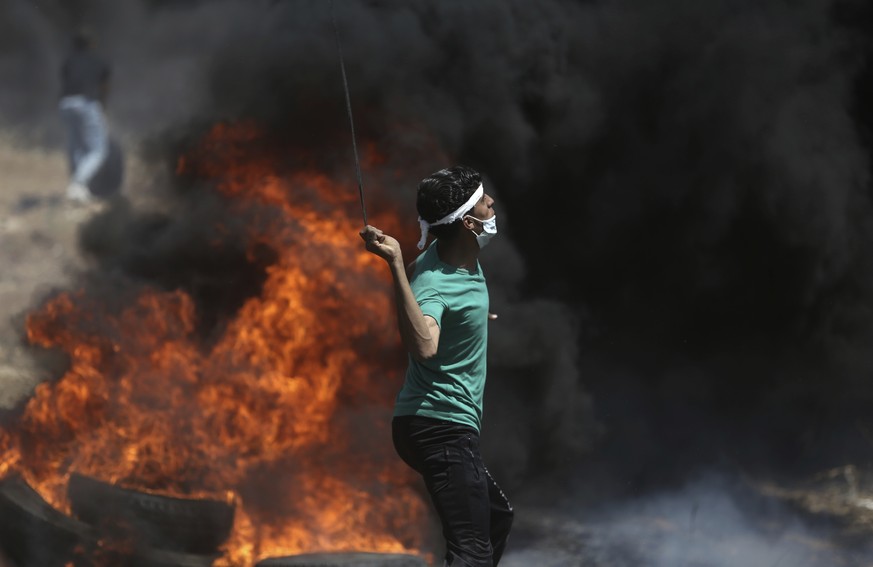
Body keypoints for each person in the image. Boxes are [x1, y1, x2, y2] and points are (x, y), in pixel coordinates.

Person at [360, 165, 513, 567]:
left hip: (431, 425)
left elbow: (447, 308)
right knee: (472, 554)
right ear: (467, 222)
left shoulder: (455, 255)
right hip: (439, 426)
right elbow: (425, 346)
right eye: (483, 201)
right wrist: (393, 263)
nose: (491, 203)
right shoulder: (435, 281)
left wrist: (476, 319)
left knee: (497, 519)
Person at [58, 27, 111, 204]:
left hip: (65, 104)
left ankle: (80, 190)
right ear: (92, 43)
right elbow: (104, 87)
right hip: (87, 103)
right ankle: (78, 183)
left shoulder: (69, 61)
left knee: (76, 146)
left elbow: (66, 80)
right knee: (98, 150)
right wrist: (103, 107)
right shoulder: (99, 61)